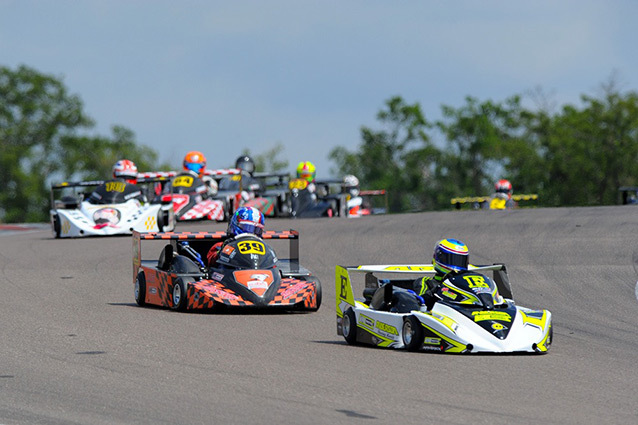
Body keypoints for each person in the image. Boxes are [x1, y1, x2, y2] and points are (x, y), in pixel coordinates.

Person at [369, 238, 469, 312]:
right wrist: (439, 290)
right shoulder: (426, 282)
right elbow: (419, 303)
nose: (457, 266)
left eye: (461, 261)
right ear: (440, 258)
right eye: (454, 260)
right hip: (436, 315)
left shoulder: (466, 282)